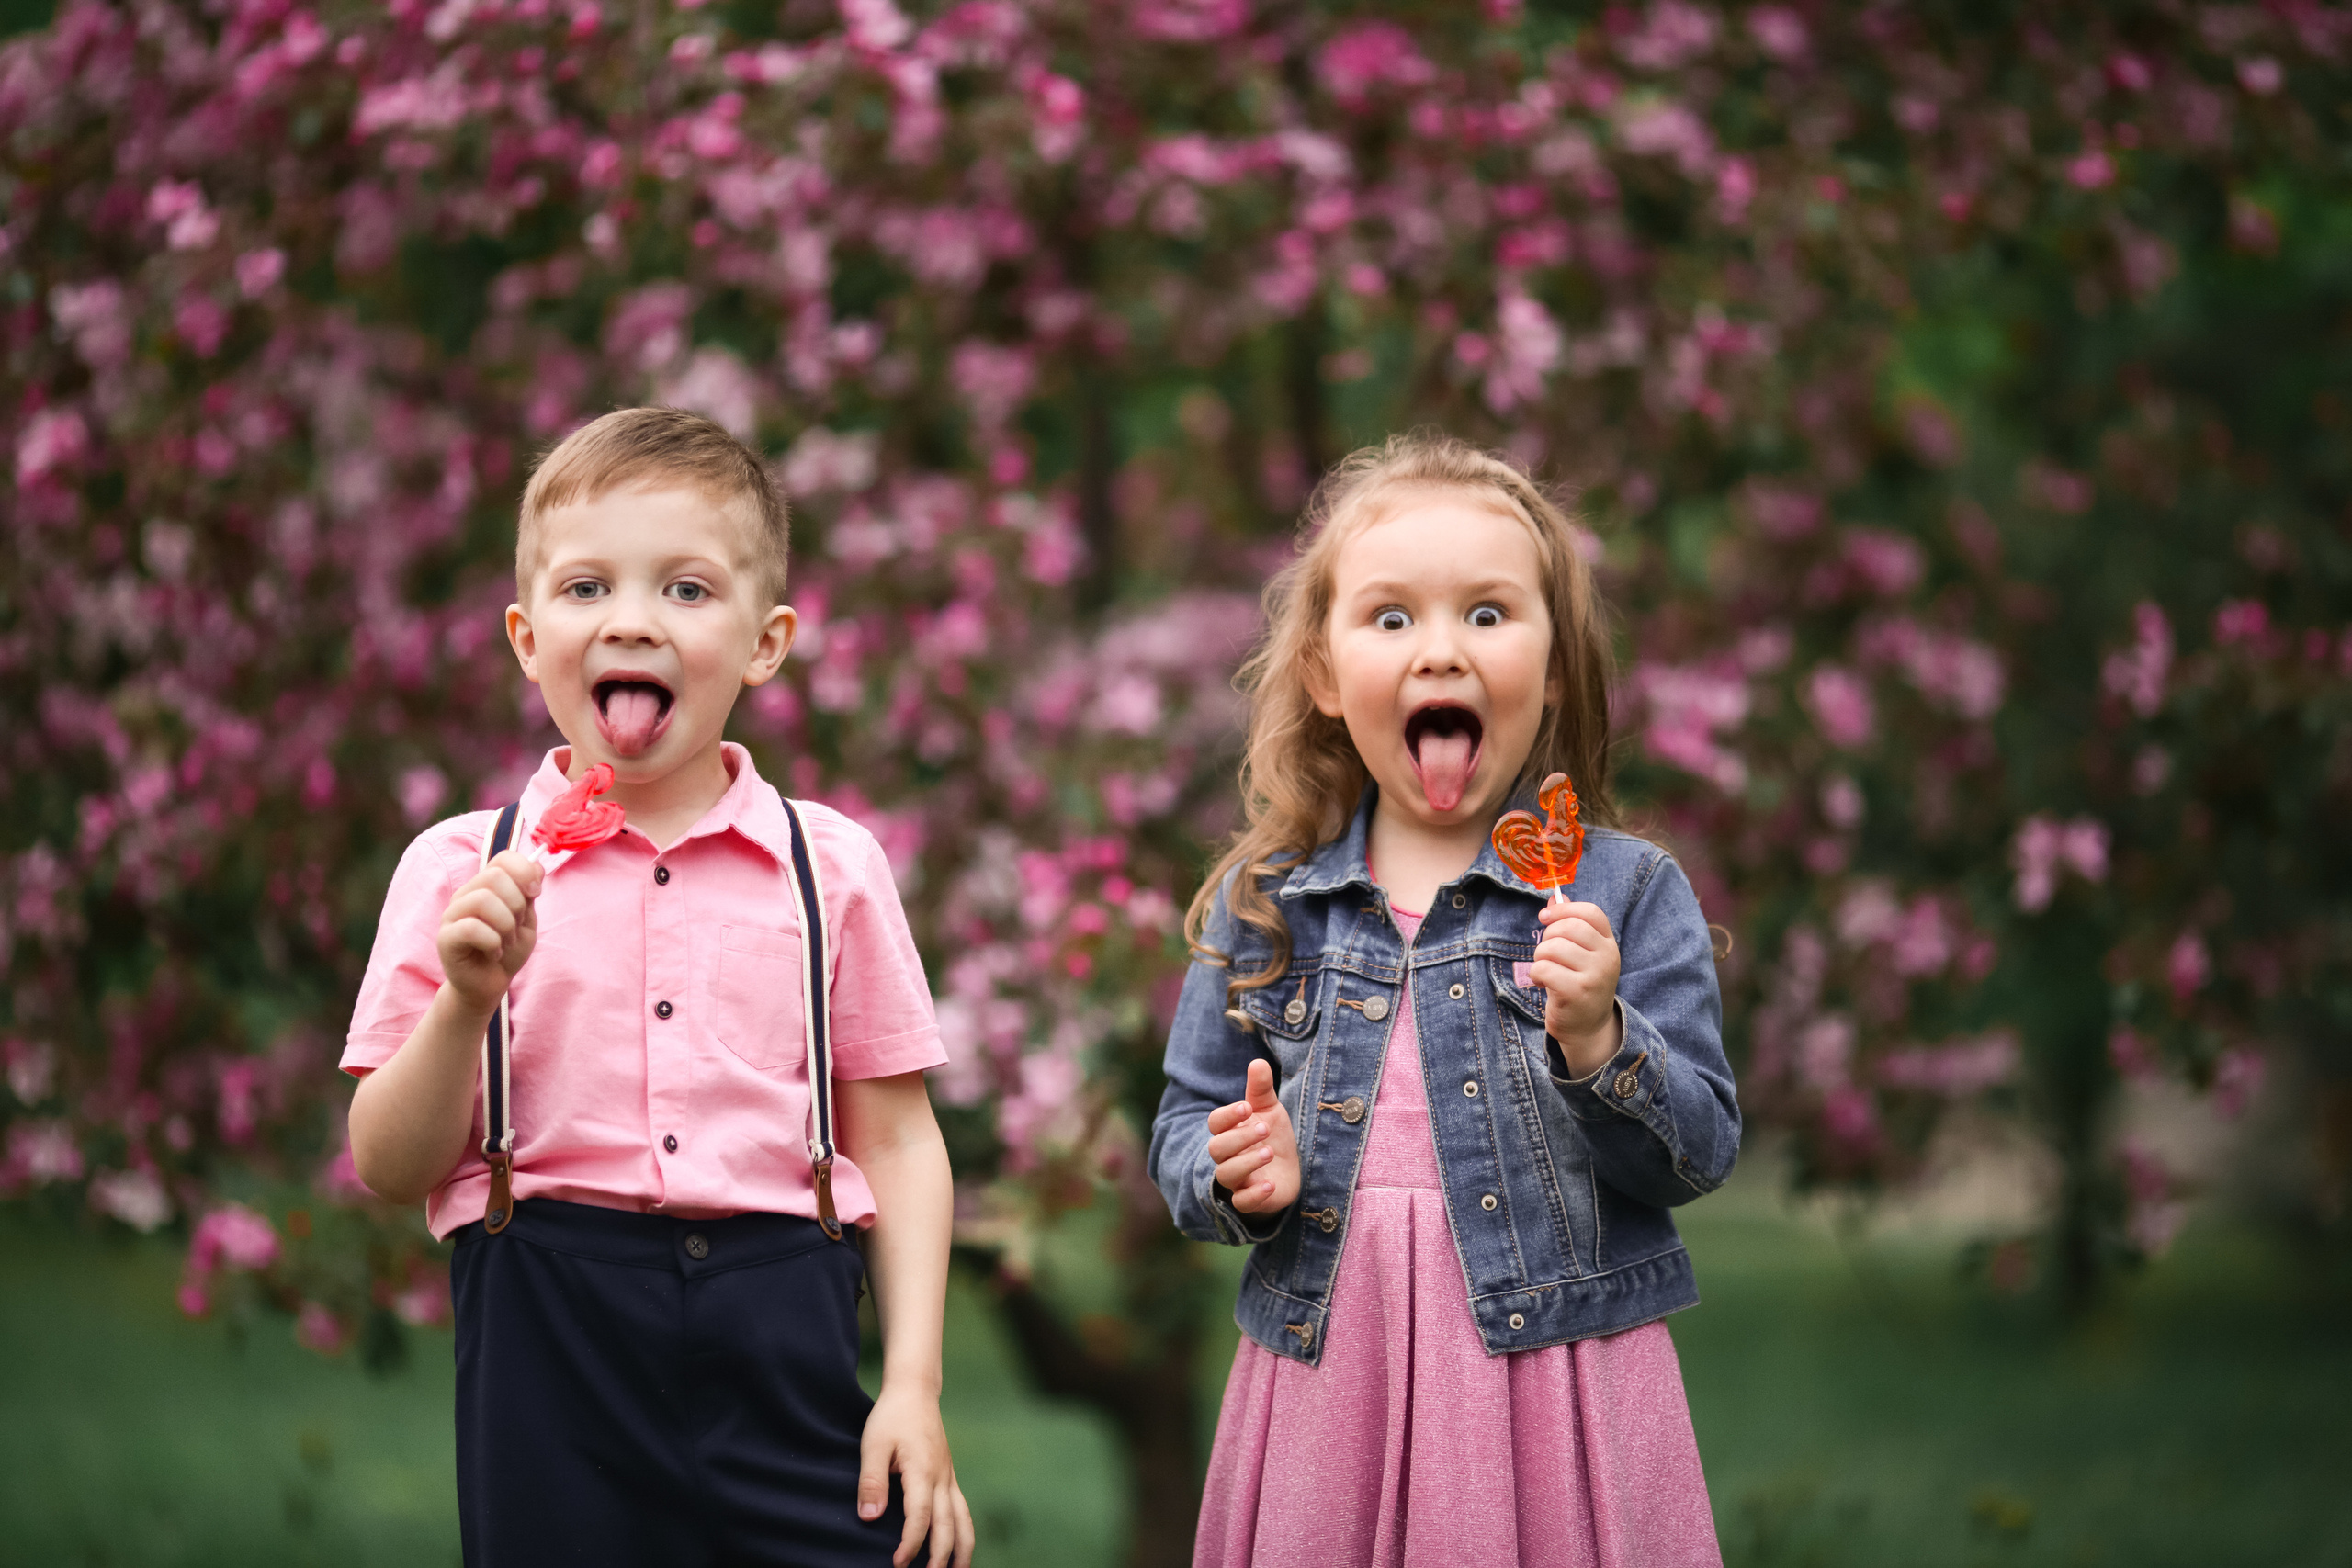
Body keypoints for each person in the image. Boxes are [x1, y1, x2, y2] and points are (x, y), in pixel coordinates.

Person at [344, 407, 975, 1568]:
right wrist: (463, 1003)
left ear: (766, 641)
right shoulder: (461, 869)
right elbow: (388, 1163)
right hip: (549, 1333)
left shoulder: (827, 866)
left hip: (781, 1320)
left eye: (685, 591)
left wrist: (914, 1387)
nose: (630, 621)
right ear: (529, 641)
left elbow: (897, 1141)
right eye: (587, 591)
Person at [1149, 432, 1738, 1567]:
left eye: (1486, 615)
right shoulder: (1269, 909)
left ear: (1556, 662)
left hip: (1552, 1380)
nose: (1441, 654)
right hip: (1334, 1377)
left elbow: (1695, 1154)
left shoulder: (1623, 894)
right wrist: (1235, 1174)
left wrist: (1600, 1038)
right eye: (1390, 619)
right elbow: (1185, 1128)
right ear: (1322, 674)